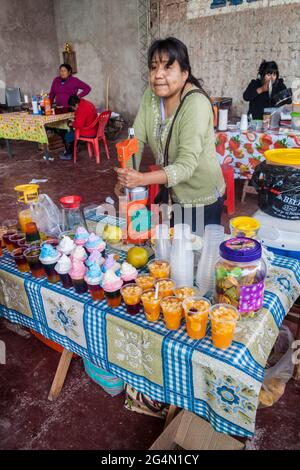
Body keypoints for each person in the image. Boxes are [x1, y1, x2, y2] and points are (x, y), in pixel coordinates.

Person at [115, 37, 225, 232]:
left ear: (184, 73)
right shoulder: (150, 96)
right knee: (170, 249)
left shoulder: (196, 104)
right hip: (171, 194)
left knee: (196, 253)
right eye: (153, 67)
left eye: (167, 67)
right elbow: (136, 140)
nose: (158, 75)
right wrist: (127, 177)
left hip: (200, 196)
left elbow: (186, 166)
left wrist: (141, 179)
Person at [59, 95, 98, 160]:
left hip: (88, 132)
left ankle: (68, 154)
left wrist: (72, 123)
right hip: (95, 128)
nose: (73, 109)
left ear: (76, 104)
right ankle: (73, 150)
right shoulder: (87, 103)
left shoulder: (82, 109)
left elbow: (79, 125)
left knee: (68, 136)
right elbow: (82, 117)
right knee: (72, 133)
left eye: (73, 107)